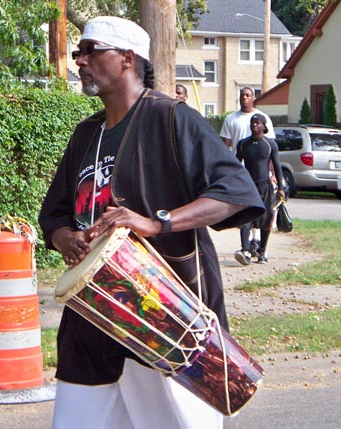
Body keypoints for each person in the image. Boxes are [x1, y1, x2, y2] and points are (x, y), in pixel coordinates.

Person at [39, 16, 264, 429]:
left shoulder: (172, 117)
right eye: (78, 52)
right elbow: (52, 213)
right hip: (93, 320)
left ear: (128, 58)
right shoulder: (85, 134)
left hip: (166, 314)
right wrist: (64, 236)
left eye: (91, 50)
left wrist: (157, 222)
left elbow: (235, 191)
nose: (80, 60)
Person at [220, 86, 276, 259]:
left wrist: (272, 174)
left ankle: (257, 243)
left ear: (253, 98)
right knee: (246, 210)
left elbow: (271, 151)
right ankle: (246, 247)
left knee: (263, 211)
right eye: (242, 95)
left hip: (261, 175)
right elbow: (225, 146)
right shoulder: (231, 119)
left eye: (248, 95)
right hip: (242, 173)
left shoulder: (263, 117)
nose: (244, 98)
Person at [234, 114, 286, 265]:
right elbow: (236, 165)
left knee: (265, 219)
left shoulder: (270, 144)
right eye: (252, 123)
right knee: (246, 218)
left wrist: (281, 188)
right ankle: (245, 251)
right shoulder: (243, 144)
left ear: (264, 126)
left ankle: (262, 252)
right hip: (248, 186)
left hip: (266, 187)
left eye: (257, 123)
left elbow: (277, 167)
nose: (254, 125)